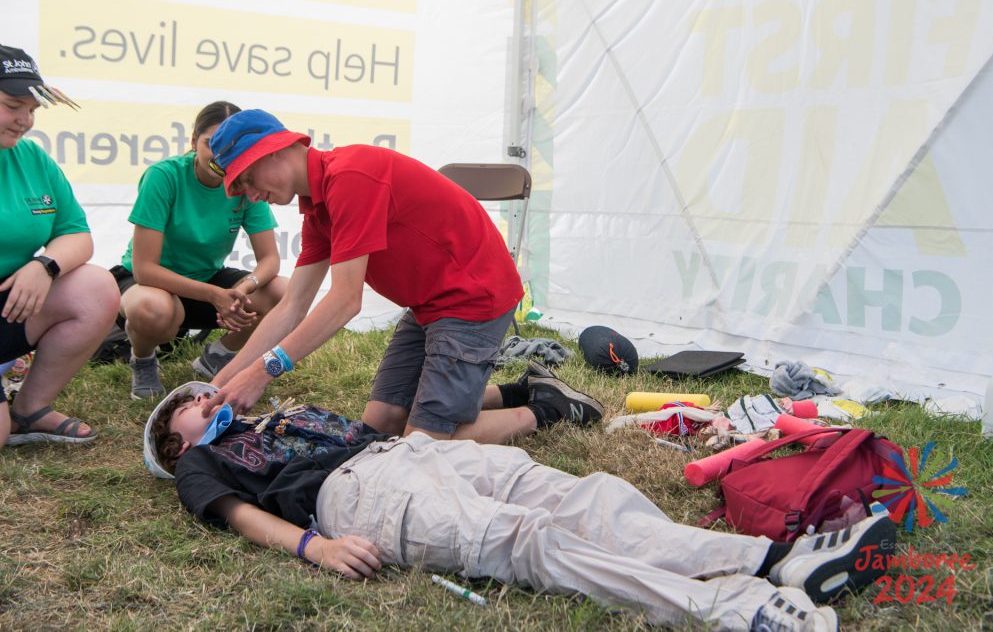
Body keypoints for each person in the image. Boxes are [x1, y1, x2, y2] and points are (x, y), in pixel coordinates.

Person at [144, 383, 898, 632]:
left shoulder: (286, 413)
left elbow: (387, 421)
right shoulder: (205, 464)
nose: (205, 397)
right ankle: (738, 611)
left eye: (204, 390)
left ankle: (774, 559)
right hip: (353, 498)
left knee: (583, 496)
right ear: (174, 447)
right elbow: (236, 516)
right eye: (188, 404)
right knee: (527, 539)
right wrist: (315, 549)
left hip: (411, 453)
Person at [202, 109, 602, 442]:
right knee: (378, 430)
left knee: (418, 446)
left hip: (474, 299)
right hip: (429, 304)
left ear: (274, 152)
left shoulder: (350, 177)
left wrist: (263, 371)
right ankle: (521, 390)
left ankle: (547, 409)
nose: (251, 196)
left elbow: (345, 301)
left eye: (248, 180)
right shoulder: (317, 208)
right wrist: (217, 387)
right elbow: (292, 306)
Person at [113, 101, 288, 399]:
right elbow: (145, 269)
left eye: (231, 146)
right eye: (211, 143)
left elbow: (270, 259)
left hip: (207, 279)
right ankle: (143, 359)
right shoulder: (164, 176)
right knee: (153, 309)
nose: (221, 154)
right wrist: (214, 295)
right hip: (148, 284)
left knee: (284, 292)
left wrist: (244, 288)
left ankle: (218, 356)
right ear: (194, 141)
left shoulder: (246, 182)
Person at [0, 44, 120, 446]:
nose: (25, 120)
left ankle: (29, 409)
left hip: (12, 303)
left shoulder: (32, 158)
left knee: (97, 286)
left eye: (32, 108)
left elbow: (77, 235)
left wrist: (44, 266)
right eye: (13, 105)